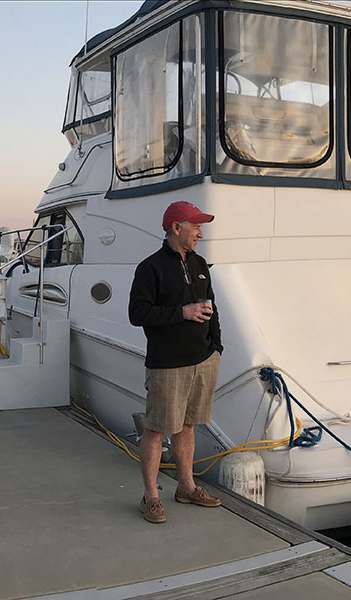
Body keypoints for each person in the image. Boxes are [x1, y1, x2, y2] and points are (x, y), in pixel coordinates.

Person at [128, 201, 224, 524]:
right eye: (195, 226)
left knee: (188, 425)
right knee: (155, 430)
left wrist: (217, 348)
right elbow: (137, 314)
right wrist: (181, 313)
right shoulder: (150, 268)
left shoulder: (199, 264)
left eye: (200, 226)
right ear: (175, 228)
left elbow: (213, 308)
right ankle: (150, 496)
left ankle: (186, 486)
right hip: (167, 365)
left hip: (202, 360)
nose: (200, 232)